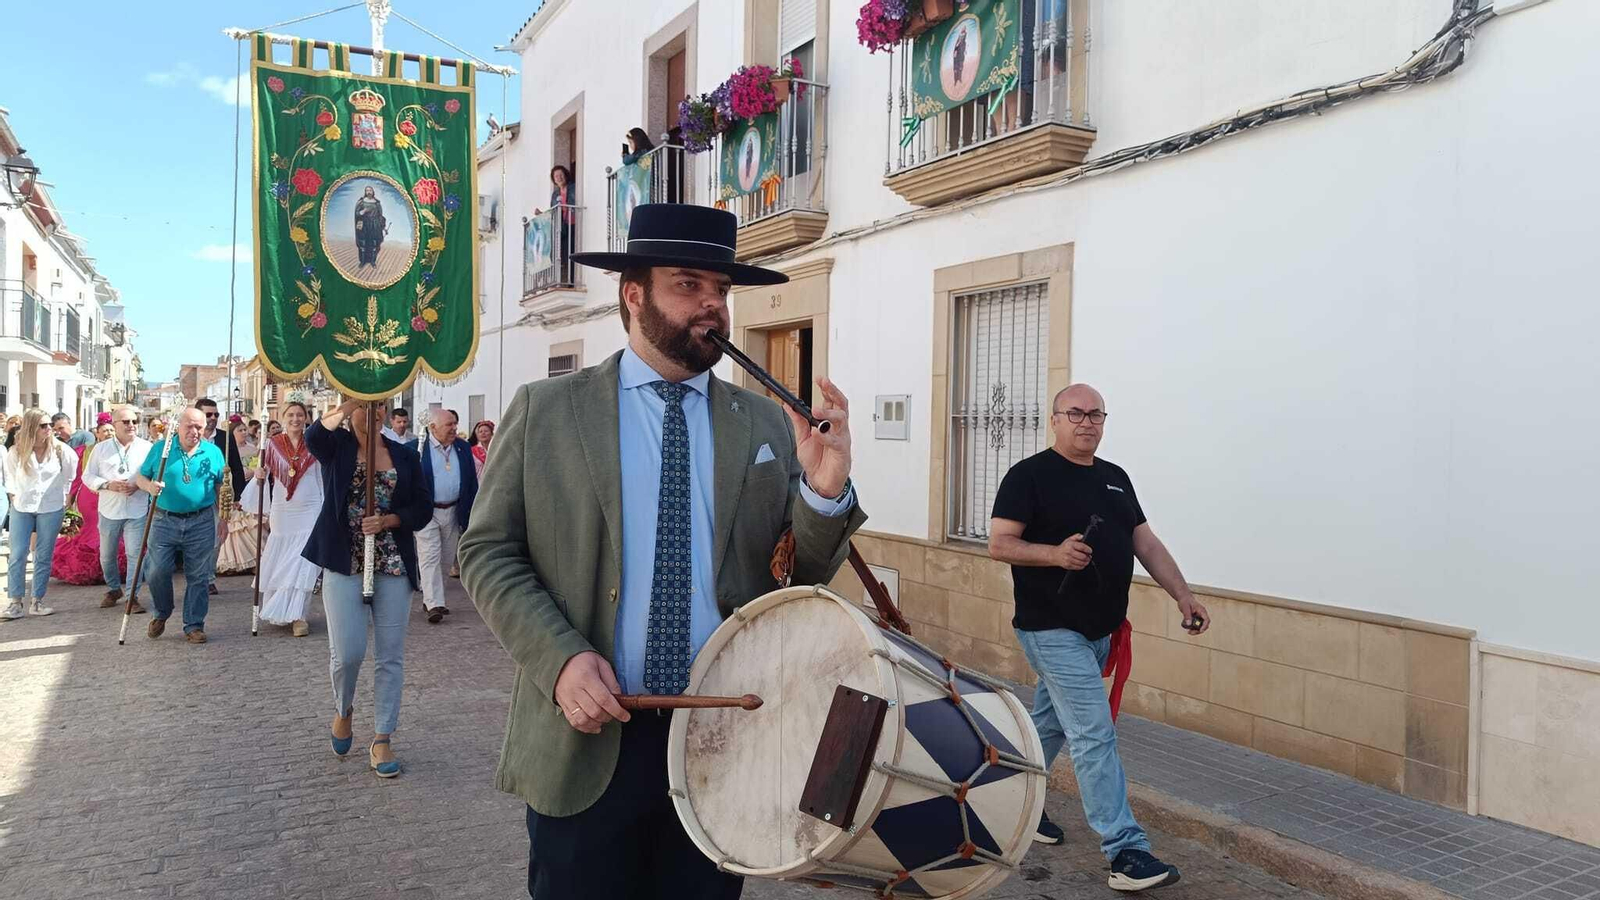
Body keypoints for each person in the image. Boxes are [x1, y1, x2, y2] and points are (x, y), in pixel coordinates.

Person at [461, 204, 866, 899]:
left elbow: (791, 582)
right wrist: (559, 662)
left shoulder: (764, 421)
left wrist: (825, 493)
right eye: (688, 286)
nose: (712, 307)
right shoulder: (548, 411)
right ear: (633, 294)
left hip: (724, 740)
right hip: (590, 734)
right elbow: (489, 552)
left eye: (721, 291)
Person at [987, 383, 1208, 892]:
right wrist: (1054, 554)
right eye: (1076, 413)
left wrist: (1183, 595)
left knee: (1049, 728)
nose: (1087, 422)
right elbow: (1000, 544)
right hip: (1051, 627)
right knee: (1093, 733)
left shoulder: (1115, 479)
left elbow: (1144, 542)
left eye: (1096, 415)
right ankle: (1126, 850)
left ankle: (1006, 804)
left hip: (1101, 631)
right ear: (1055, 420)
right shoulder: (1029, 476)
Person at [303, 399, 431, 778]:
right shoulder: (337, 447)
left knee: (390, 656)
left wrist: (391, 519)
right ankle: (343, 709)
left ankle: (382, 737)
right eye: (366, 407)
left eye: (380, 407)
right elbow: (314, 437)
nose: (373, 414)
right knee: (348, 652)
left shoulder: (405, 455)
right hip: (345, 560)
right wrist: (348, 403)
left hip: (392, 562)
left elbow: (422, 508)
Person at [136, 408, 227, 643]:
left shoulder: (213, 452)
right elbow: (140, 477)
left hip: (201, 520)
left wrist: (225, 519)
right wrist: (149, 487)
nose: (195, 431)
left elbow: (221, 487)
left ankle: (194, 625)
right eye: (190, 426)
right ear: (178, 426)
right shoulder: (161, 449)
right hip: (163, 519)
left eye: (200, 426)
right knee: (156, 570)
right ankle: (162, 612)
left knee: (198, 575)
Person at [240, 401, 322, 636]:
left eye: (300, 415)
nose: (296, 419)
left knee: (304, 562)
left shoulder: (314, 443)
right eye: (291, 415)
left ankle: (299, 616)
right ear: (284, 417)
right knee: (283, 560)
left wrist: (325, 505)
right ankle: (280, 608)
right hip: (283, 508)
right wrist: (259, 474)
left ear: (306, 418)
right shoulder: (272, 444)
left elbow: (321, 476)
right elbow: (263, 471)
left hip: (310, 506)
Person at [2, 409, 77, 620]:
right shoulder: (16, 451)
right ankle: (15, 603)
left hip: (51, 507)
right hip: (22, 507)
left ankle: (37, 601)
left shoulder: (62, 450)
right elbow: (9, 478)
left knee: (43, 555)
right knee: (17, 554)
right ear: (31, 427)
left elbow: (71, 476)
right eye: (43, 426)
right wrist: (13, 498)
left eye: (49, 425)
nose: (49, 429)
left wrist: (65, 500)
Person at [80, 405, 150, 609]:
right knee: (107, 555)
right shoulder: (100, 449)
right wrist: (107, 484)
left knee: (135, 554)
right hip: (109, 509)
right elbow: (88, 476)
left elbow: (154, 474)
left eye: (134, 422)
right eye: (126, 422)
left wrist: (138, 484)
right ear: (115, 424)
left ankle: (131, 597)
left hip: (136, 509)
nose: (131, 425)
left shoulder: (147, 447)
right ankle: (113, 588)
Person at [415, 408, 477, 624]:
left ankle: (432, 597)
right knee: (429, 555)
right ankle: (434, 604)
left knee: (447, 557)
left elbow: (470, 481)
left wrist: (471, 509)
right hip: (426, 512)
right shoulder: (418, 448)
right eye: (448, 425)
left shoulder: (462, 447)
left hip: (453, 510)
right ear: (432, 427)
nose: (454, 429)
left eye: (454, 424)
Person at [214, 421, 261, 576]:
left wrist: (251, 472)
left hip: (240, 487)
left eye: (244, 429)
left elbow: (239, 467)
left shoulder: (251, 448)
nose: (244, 433)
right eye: (240, 430)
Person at [549, 165, 577, 285]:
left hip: (574, 224)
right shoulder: (555, 194)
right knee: (562, 253)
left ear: (565, 175)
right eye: (556, 176)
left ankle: (572, 280)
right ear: (554, 180)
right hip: (563, 227)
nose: (559, 178)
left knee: (572, 252)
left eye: (561, 175)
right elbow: (553, 211)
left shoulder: (574, 187)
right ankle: (561, 280)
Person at [354, 184, 388, 268]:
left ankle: (373, 262)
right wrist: (362, 212)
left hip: (374, 225)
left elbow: (380, 216)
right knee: (363, 244)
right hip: (364, 225)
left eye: (370, 190)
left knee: (374, 244)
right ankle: (362, 262)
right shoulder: (361, 202)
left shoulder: (377, 203)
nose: (369, 192)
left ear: (373, 192)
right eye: (367, 190)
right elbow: (357, 213)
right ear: (365, 192)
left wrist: (383, 227)